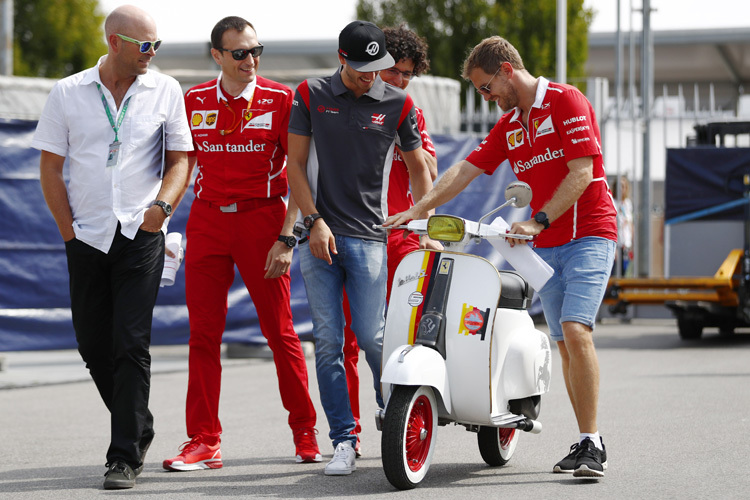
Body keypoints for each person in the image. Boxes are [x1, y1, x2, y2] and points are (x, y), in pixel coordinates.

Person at [384, 36, 617, 479]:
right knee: (565, 344)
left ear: (507, 71)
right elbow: (466, 169)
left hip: (590, 233)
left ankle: (593, 443)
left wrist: (538, 220)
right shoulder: (510, 122)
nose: (485, 97)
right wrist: (420, 208)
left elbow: (582, 171)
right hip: (545, 247)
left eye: (486, 87)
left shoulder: (566, 100)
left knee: (575, 330)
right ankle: (586, 438)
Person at [32, 5, 192, 490]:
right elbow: (50, 168)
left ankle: (123, 456)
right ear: (114, 42)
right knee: (92, 344)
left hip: (140, 235)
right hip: (86, 235)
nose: (152, 53)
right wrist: (68, 233)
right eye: (144, 45)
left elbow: (182, 158)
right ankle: (138, 424)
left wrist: (161, 211)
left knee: (130, 343)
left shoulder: (166, 89)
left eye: (156, 46)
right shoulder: (68, 91)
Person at [162, 16, 320, 471]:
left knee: (280, 332)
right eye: (239, 53)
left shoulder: (281, 98)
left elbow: (300, 171)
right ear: (217, 56)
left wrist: (287, 237)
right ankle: (204, 440)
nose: (250, 60)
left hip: (263, 220)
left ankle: (304, 431)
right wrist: (170, 225)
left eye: (256, 51)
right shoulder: (192, 100)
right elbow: (179, 165)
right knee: (202, 336)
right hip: (208, 220)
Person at [286, 20, 438, 476]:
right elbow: (293, 166)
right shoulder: (310, 94)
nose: (372, 77)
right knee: (330, 343)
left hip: (372, 238)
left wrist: (424, 222)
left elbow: (420, 168)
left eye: (380, 69)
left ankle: (395, 420)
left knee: (375, 339)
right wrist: (312, 222)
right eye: (362, 70)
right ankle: (344, 441)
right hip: (320, 241)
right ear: (341, 58)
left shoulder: (400, 102)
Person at [341, 24, 438, 457]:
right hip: (355, 233)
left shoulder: (406, 110)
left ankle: (395, 418)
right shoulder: (339, 104)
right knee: (347, 340)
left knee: (398, 338)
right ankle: (348, 434)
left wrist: (401, 144)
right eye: (393, 70)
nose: (399, 80)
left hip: (403, 239)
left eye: (407, 74)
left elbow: (429, 173)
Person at [612, 176, 634, 276]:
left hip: (626, 244)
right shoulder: (612, 202)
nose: (621, 189)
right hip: (616, 243)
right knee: (614, 272)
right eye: (619, 186)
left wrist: (631, 243)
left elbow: (630, 223)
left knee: (624, 272)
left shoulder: (627, 203)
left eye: (623, 186)